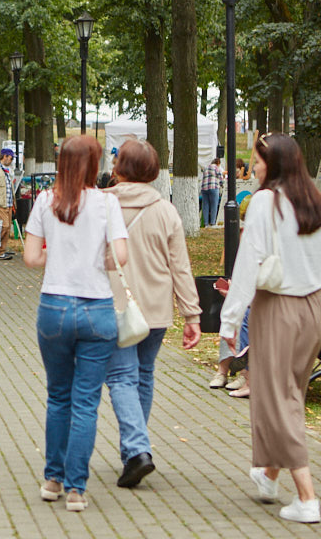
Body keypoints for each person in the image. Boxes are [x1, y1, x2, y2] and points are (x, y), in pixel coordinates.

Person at [219, 133, 321, 524]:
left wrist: (230, 319)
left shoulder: (264, 204)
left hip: (276, 309)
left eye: (256, 161)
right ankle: (269, 476)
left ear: (272, 164)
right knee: (290, 396)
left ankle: (307, 497)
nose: (253, 167)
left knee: (277, 400)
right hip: (311, 312)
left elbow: (247, 264)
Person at [23, 134, 127, 513]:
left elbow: (32, 258)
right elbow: (121, 256)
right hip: (97, 309)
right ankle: (76, 489)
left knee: (58, 396)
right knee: (86, 402)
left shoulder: (45, 201)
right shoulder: (106, 203)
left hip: (54, 306)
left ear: (62, 162)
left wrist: (59, 248)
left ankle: (52, 478)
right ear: (95, 164)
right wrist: (95, 254)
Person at [102, 140, 202, 488]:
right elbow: (181, 268)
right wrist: (192, 315)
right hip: (156, 311)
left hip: (114, 306)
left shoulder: (103, 206)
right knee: (142, 375)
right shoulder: (166, 210)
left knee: (120, 379)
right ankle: (133, 450)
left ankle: (137, 450)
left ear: (119, 167)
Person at [200, 158, 223, 228]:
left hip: (204, 188)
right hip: (213, 187)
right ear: (218, 163)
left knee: (205, 205)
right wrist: (222, 185)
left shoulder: (206, 167)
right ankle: (213, 223)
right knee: (214, 205)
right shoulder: (216, 167)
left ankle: (206, 224)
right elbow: (220, 177)